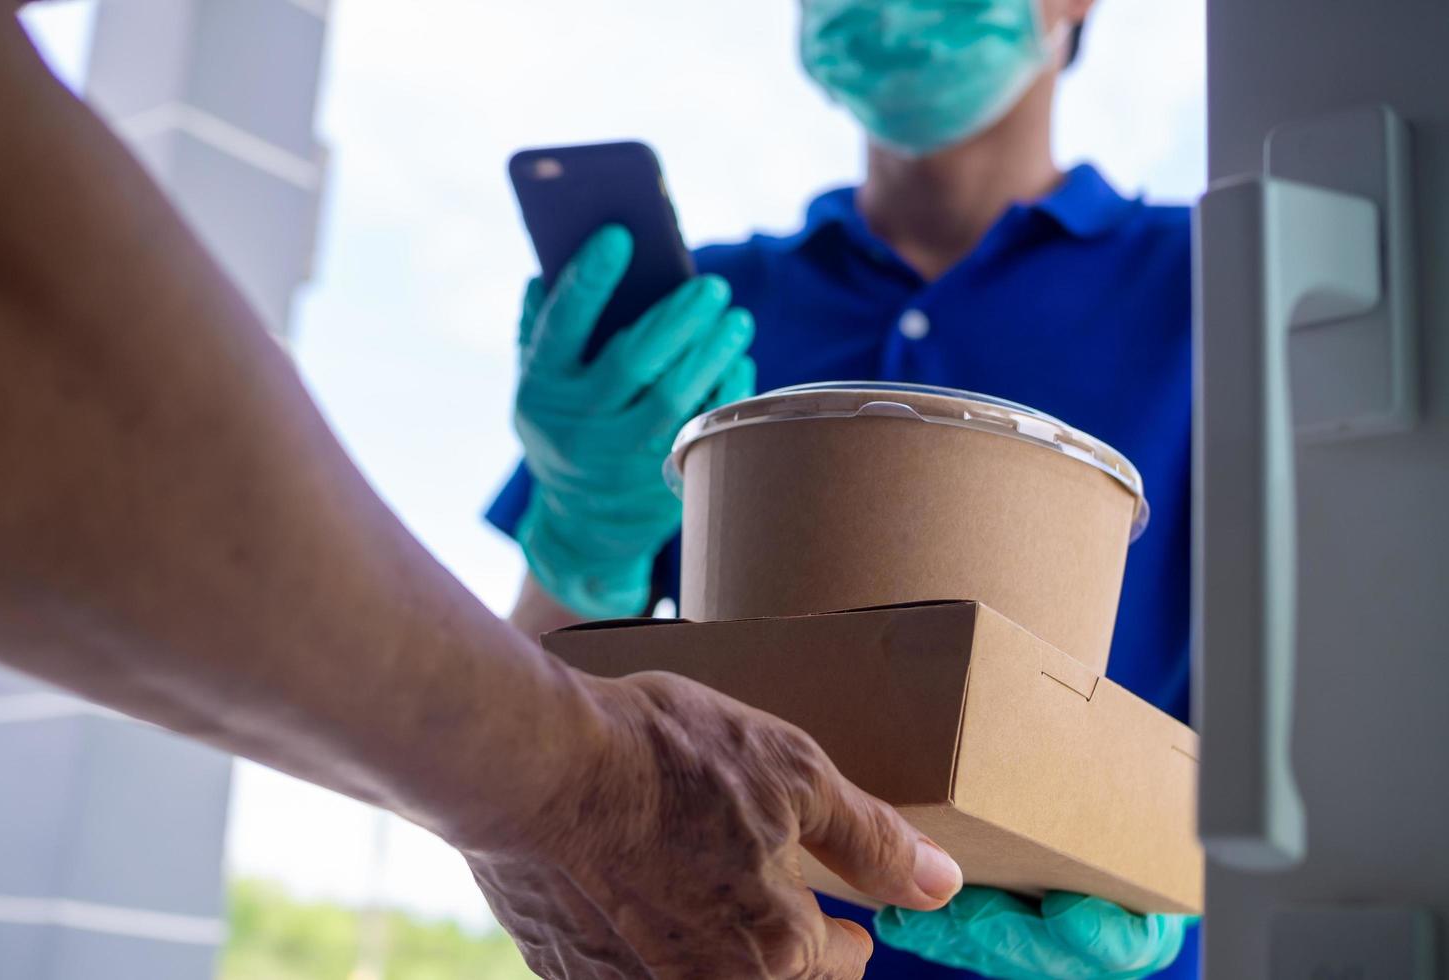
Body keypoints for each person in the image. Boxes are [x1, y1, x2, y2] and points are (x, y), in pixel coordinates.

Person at [0, 5, 966, 979]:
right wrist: (584, 537)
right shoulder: (709, 308)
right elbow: (557, 664)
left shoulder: (1132, 286)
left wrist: (572, 785)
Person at [489, 0, 1201, 976]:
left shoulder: (1211, 286)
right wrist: (583, 532)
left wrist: (1190, 867)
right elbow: (533, 721)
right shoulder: (707, 315)